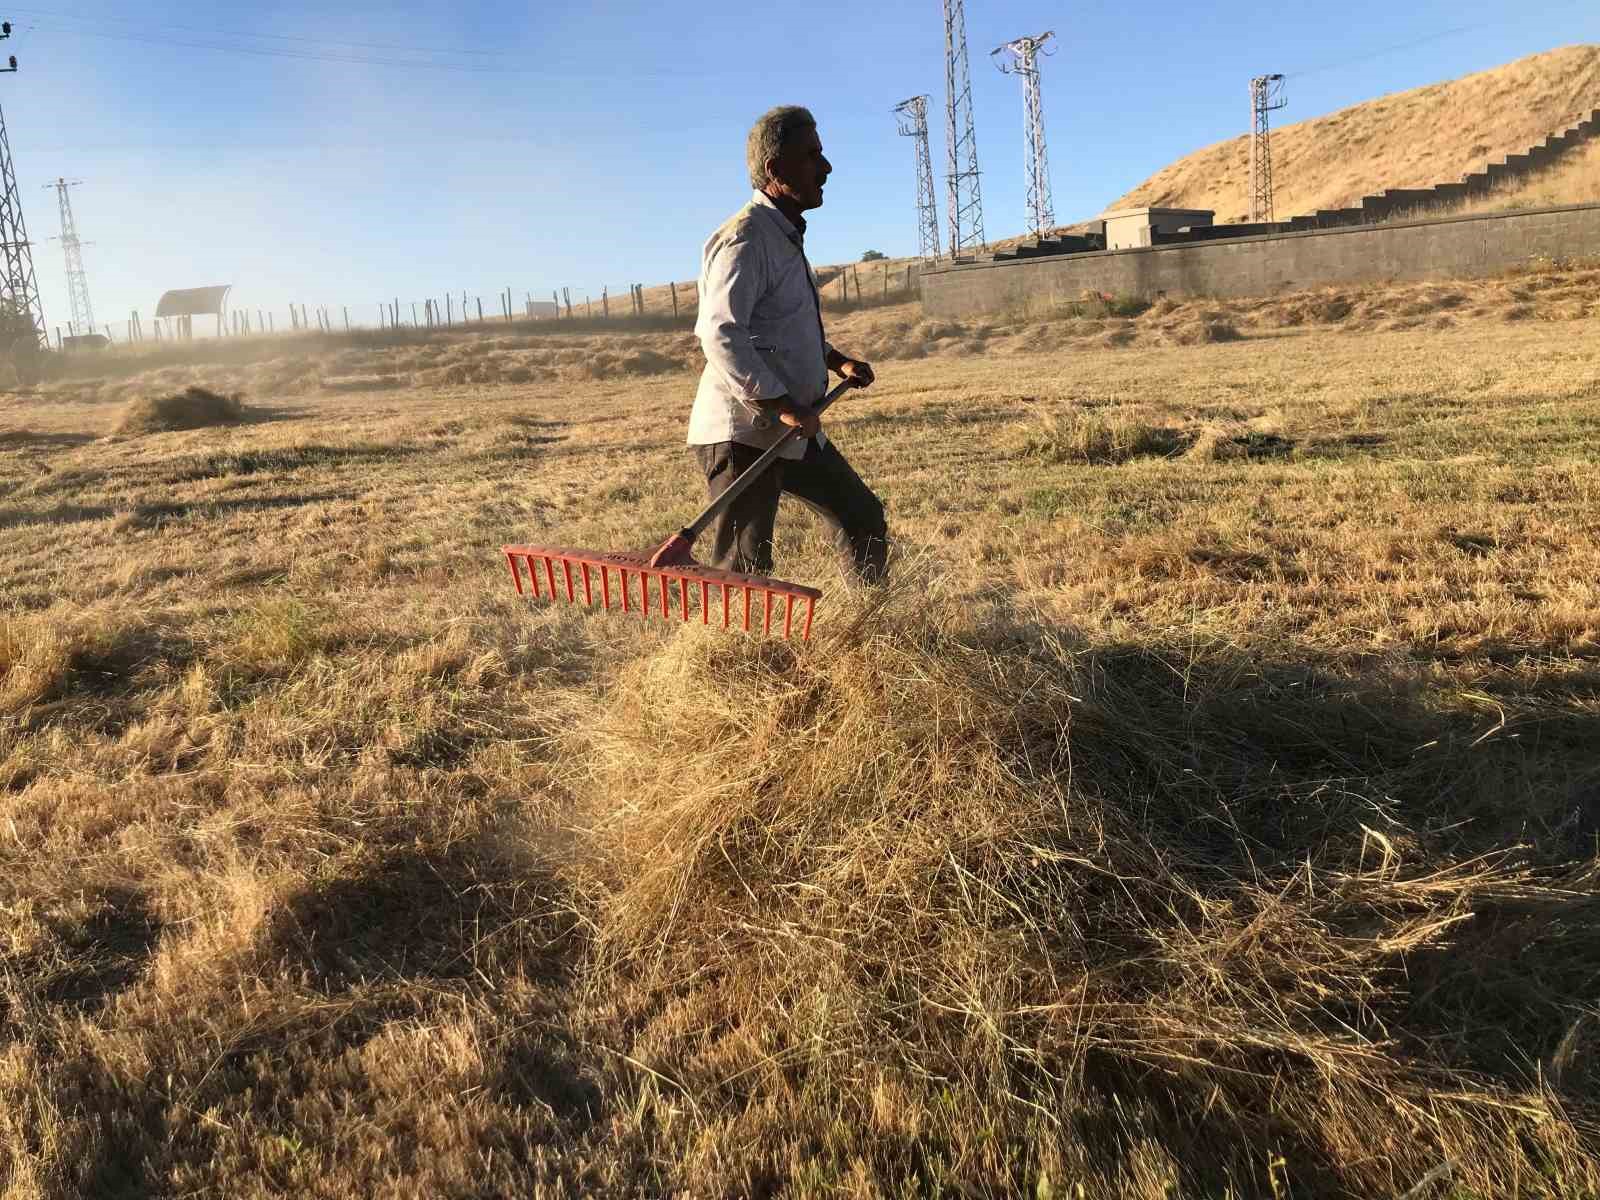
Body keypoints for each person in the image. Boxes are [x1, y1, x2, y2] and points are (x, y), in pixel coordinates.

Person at [688, 105, 888, 583]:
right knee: (744, 566)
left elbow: (781, 327)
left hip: (790, 425)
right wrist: (780, 404)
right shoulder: (746, 238)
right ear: (776, 169)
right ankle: (736, 655)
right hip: (744, 430)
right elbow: (719, 331)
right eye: (812, 156)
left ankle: (867, 629)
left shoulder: (783, 235)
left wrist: (837, 362)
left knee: (862, 518)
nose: (827, 167)